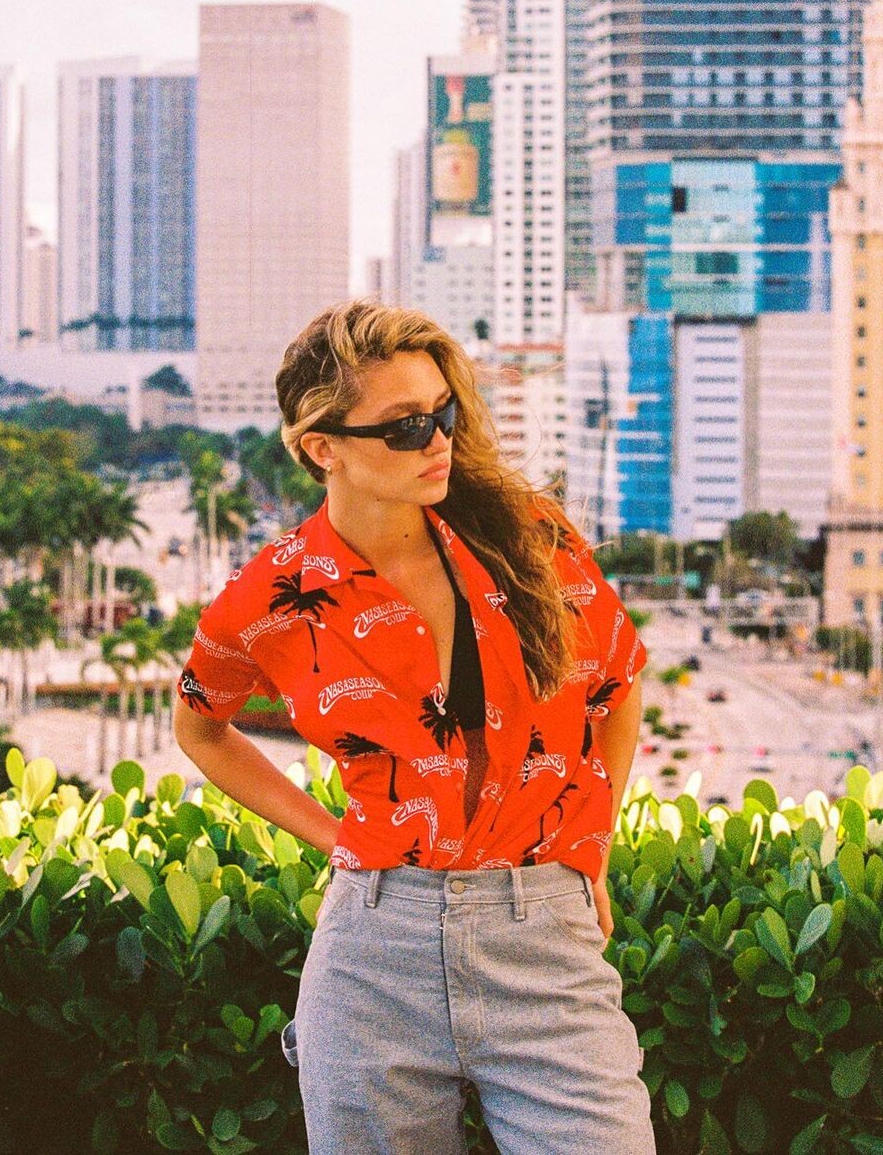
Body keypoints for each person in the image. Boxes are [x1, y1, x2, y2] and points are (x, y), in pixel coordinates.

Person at [174, 299, 655, 1154]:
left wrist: (591, 848)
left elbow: (616, 691)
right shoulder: (275, 594)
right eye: (404, 426)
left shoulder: (528, 540)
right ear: (322, 448)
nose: (437, 441)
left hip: (542, 937)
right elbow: (200, 726)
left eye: (444, 413)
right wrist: (333, 838)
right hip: (373, 954)